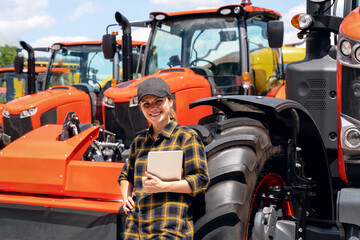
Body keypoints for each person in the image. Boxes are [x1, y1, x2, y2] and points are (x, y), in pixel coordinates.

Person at [119, 77, 210, 240]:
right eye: (146, 103)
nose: (152, 108)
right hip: (135, 230)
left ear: (170, 102)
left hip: (169, 229)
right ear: (140, 107)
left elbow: (201, 181)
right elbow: (126, 176)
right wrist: (125, 197)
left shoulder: (186, 138)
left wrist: (163, 186)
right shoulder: (139, 142)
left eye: (158, 101)